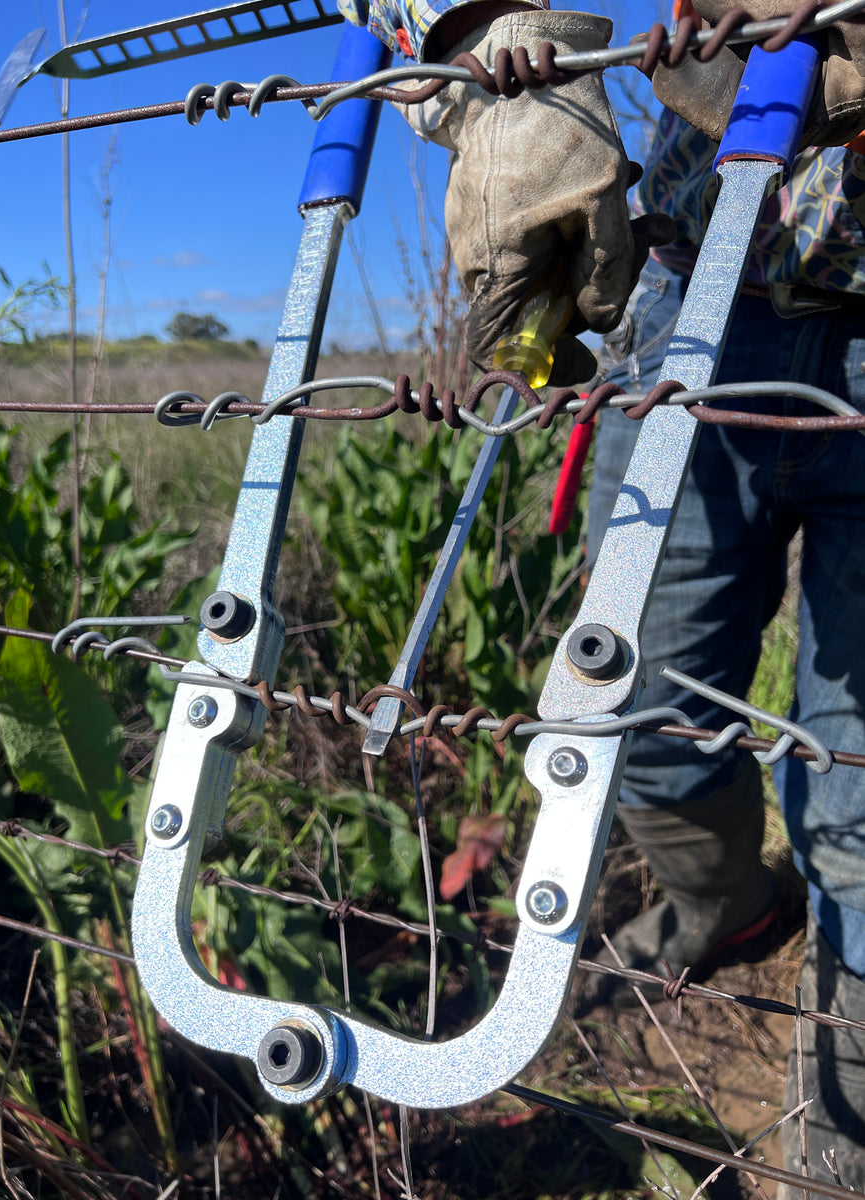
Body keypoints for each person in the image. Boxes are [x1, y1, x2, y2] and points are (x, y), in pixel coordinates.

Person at [338, 0, 865, 1192]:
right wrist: (492, 42)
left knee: (859, 796)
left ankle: (848, 1061)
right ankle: (730, 907)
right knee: (633, 722)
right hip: (695, 296)